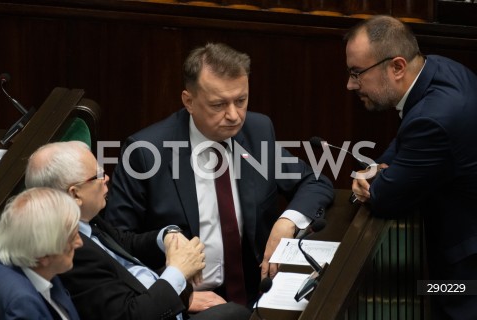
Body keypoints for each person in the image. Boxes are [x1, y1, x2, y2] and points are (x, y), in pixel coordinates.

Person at [104, 42, 335, 307]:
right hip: (185, 303)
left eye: (241, 100)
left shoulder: (256, 131)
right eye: (219, 105)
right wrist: (176, 294)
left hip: (256, 294)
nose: (234, 115)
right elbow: (115, 247)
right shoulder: (145, 152)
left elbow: (314, 182)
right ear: (188, 101)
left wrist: (287, 221)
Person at [25, 141, 251, 320]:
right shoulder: (72, 249)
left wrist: (168, 236)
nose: (106, 179)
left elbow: (126, 242)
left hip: (159, 295)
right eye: (97, 175)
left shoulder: (86, 220)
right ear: (74, 194)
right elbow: (129, 315)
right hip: (153, 308)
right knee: (236, 314)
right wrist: (178, 272)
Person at [346, 15, 477, 320]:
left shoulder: (435, 118)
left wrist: (373, 180)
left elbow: (384, 198)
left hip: (465, 275)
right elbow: (409, 134)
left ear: (397, 67)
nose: (350, 84)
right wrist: (381, 167)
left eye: (357, 73)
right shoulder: (437, 69)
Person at [0, 187, 82, 319]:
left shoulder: (43, 268)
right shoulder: (22, 305)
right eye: (72, 238)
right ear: (43, 255)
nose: (80, 243)